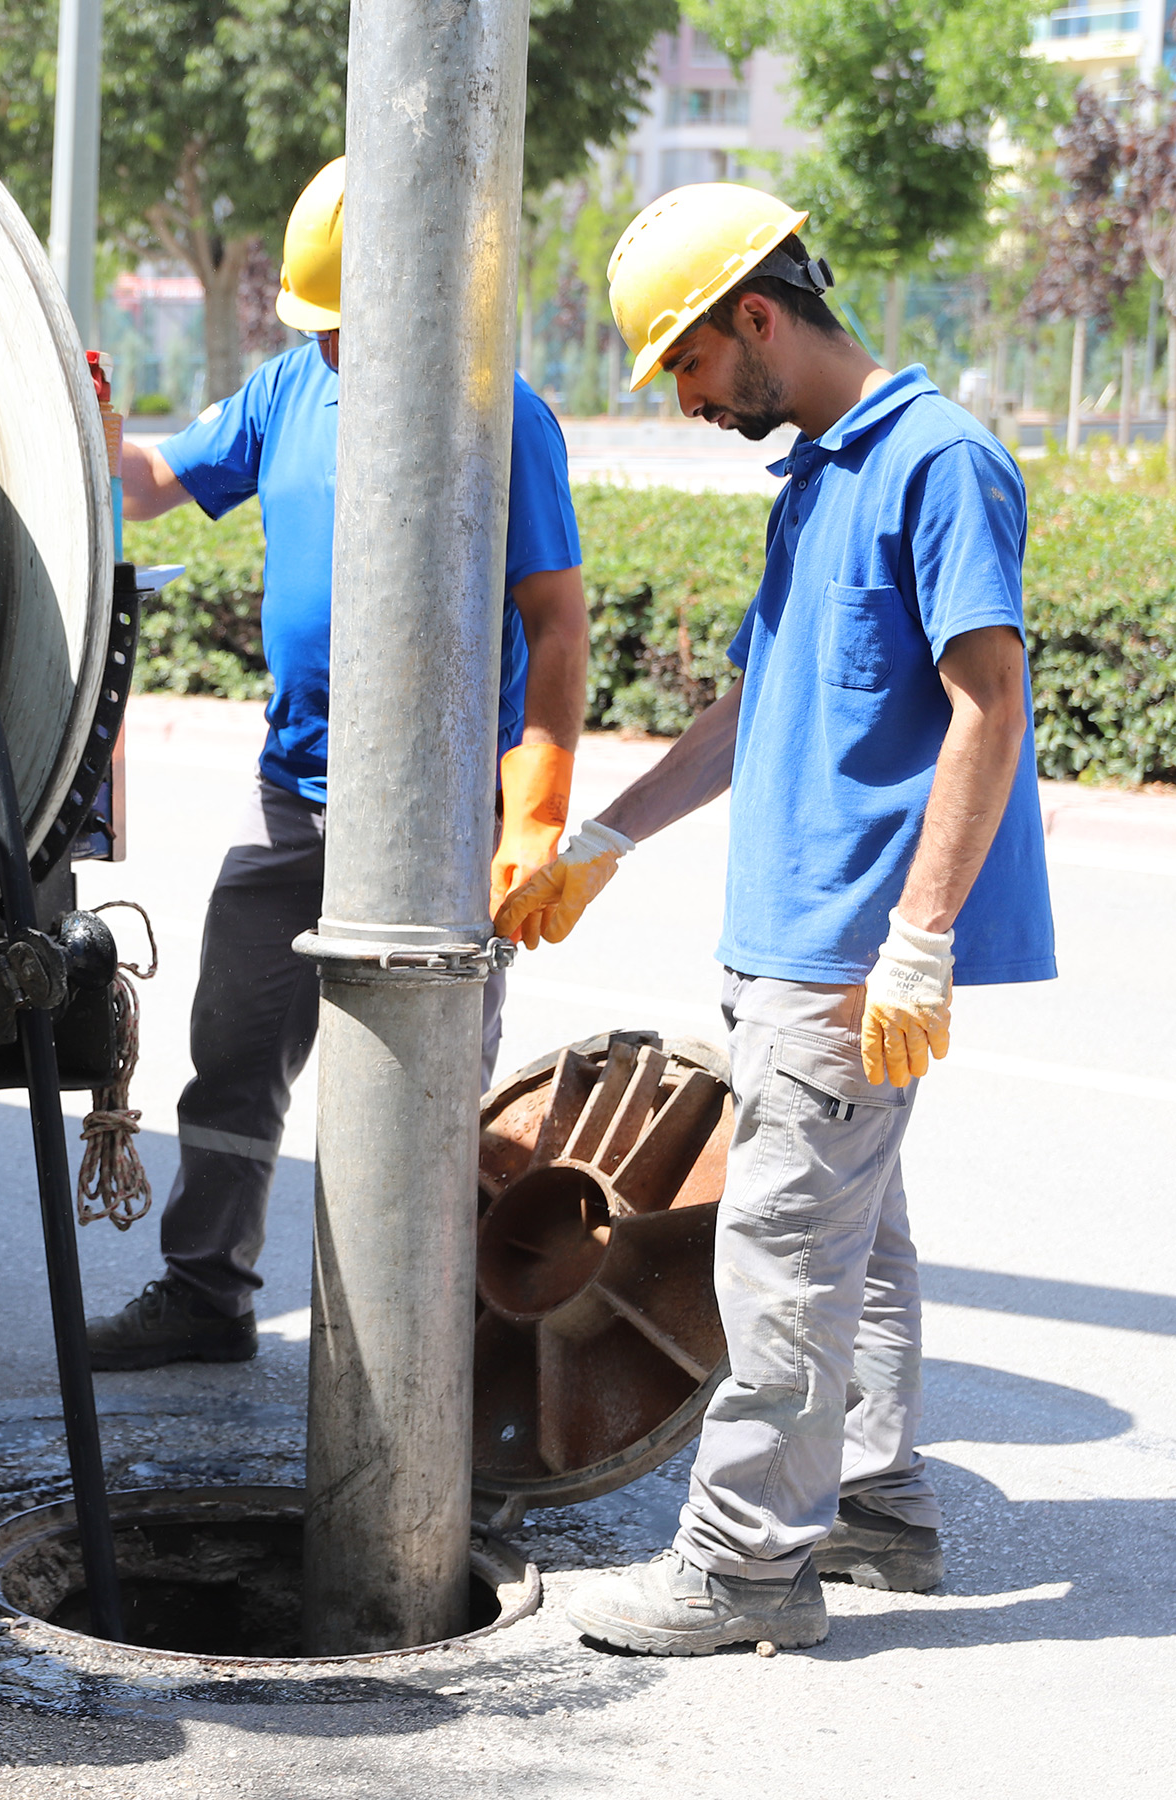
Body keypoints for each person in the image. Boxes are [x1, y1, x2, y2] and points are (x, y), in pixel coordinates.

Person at [522, 184, 1053, 1655]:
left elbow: (988, 703)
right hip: (798, 947)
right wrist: (610, 839)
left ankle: (743, 1566)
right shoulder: (823, 476)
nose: (687, 398)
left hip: (852, 954)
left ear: (756, 317)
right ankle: (875, 1507)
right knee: (856, 1244)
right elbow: (756, 704)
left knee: (776, 1261)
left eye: (687, 364)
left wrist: (922, 937)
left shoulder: (939, 463)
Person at [85, 157, 589, 1370]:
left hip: (439, 819)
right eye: (316, 326)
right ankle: (207, 1295)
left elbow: (557, 620)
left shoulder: (500, 413)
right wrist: (96, 428)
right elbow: (154, 487)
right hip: (294, 791)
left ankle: (426, 1341)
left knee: (427, 1096)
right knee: (235, 1054)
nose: (328, 348)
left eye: (346, 328)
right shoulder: (286, 392)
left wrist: (535, 810)